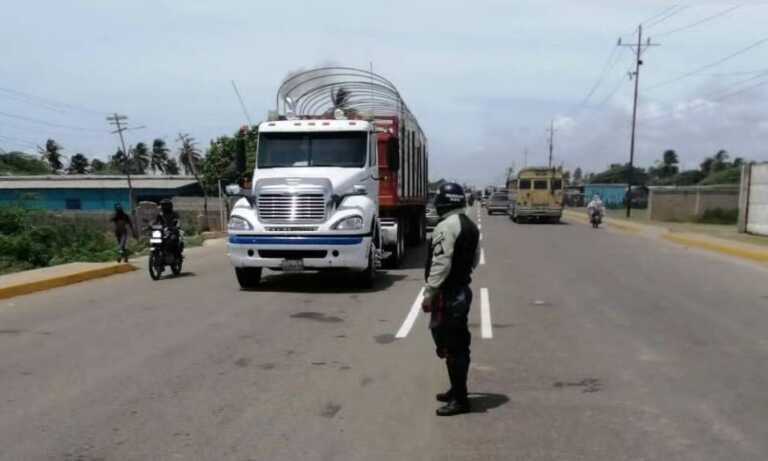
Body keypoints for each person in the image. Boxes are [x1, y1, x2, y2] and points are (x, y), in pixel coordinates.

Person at [422, 182, 480, 416]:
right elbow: (475, 259)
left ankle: (461, 400)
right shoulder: (470, 226)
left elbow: (441, 262)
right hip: (462, 291)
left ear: (446, 202)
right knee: (455, 344)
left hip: (449, 294)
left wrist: (430, 292)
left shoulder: (446, 226)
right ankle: (457, 390)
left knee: (453, 346)